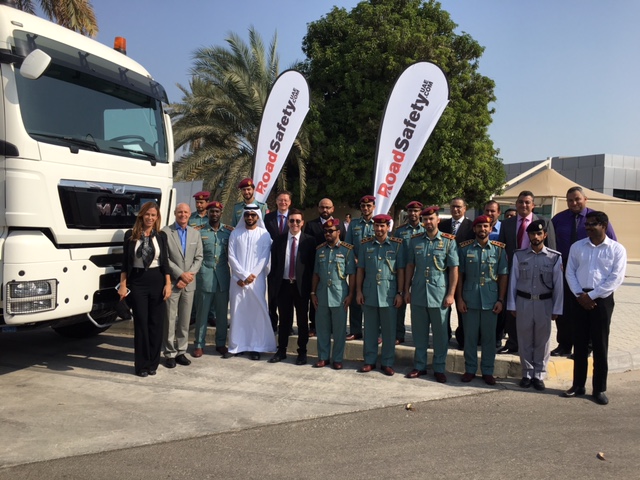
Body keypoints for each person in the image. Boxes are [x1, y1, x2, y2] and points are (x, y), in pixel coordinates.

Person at [563, 211, 626, 405]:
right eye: (587, 224)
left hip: (602, 300)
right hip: (579, 298)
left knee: (600, 345)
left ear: (604, 226)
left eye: (592, 224)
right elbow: (570, 272)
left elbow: (616, 278)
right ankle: (578, 385)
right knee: (579, 344)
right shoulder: (577, 247)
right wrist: (580, 295)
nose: (587, 227)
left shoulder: (616, 249)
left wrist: (591, 296)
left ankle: (599, 388)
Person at [550, 186, 617, 357]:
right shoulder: (558, 219)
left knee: (588, 311)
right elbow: (551, 243)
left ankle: (586, 347)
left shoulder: (597, 218)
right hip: (565, 269)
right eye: (570, 200)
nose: (574, 203)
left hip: (589, 271)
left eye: (577, 199)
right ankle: (564, 344)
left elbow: (612, 243)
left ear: (585, 199)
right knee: (564, 309)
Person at [507, 219, 563, 391]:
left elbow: (558, 284)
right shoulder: (519, 255)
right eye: (532, 233)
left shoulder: (554, 257)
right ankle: (526, 373)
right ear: (528, 235)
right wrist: (512, 305)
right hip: (523, 302)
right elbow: (513, 282)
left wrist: (557, 309)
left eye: (539, 233)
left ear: (545, 235)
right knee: (524, 339)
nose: (536, 236)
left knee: (542, 340)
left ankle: (539, 374)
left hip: (544, 303)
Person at [497, 191, 556, 355]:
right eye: (521, 202)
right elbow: (501, 249)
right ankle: (513, 342)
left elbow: (552, 249)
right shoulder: (507, 224)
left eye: (527, 202)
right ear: (516, 204)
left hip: (538, 273)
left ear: (533, 205)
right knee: (512, 308)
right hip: (512, 271)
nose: (524, 205)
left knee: (533, 309)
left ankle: (533, 344)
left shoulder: (544, 222)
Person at [404, 206, 458, 383]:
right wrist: (406, 290)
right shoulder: (415, 241)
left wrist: (451, 294)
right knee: (419, 333)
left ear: (438, 220)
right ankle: (419, 366)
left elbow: (453, 269)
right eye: (425, 219)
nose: (428, 222)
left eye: (431, 219)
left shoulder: (449, 241)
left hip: (439, 294)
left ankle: (439, 368)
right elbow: (410, 266)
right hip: (419, 293)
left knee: (440, 334)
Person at [119, 202, 172, 377]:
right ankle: (141, 365)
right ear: (141, 215)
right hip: (138, 283)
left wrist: (168, 284)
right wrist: (124, 285)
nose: (150, 218)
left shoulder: (161, 236)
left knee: (156, 324)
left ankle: (153, 364)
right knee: (141, 324)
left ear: (157, 218)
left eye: (153, 215)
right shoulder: (130, 235)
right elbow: (125, 264)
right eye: (147, 214)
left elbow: (164, 262)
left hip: (157, 281)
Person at [456, 215, 508, 386]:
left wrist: (501, 299)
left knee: (489, 338)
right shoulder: (464, 249)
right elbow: (460, 275)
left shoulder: (499, 250)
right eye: (479, 226)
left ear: (490, 229)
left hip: (491, 299)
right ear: (474, 229)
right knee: (469, 337)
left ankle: (487, 370)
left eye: (486, 226)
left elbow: (503, 276)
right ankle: (470, 369)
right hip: (470, 299)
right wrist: (460, 298)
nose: (483, 229)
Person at [356, 214, 405, 376]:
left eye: (382, 226)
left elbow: (401, 271)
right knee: (369, 330)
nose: (379, 229)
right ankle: (369, 361)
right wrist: (358, 291)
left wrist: (400, 293)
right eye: (376, 226)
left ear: (388, 227)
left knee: (389, 331)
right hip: (369, 293)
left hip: (389, 294)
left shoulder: (397, 245)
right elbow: (360, 270)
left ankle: (387, 362)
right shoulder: (365, 245)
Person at [268, 209, 316, 365]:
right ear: (288, 222)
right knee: (284, 320)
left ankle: (302, 352)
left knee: (302, 321)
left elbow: (312, 267)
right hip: (283, 286)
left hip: (301, 287)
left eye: (297, 221)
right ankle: (281, 350)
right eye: (292, 220)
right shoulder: (279, 241)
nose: (294, 223)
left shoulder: (309, 241)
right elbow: (274, 265)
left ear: (302, 223)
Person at [227, 204, 275, 360]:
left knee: (255, 313)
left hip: (257, 281)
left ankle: (256, 347)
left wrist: (251, 275)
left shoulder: (264, 235)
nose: (249, 217)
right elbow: (231, 257)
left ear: (258, 217)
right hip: (237, 281)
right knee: (237, 312)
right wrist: (242, 276)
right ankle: (237, 346)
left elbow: (264, 257)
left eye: (253, 215)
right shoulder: (235, 233)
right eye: (247, 215)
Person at [311, 218, 356, 369]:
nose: (328, 234)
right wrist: (312, 293)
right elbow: (316, 274)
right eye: (325, 231)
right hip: (322, 293)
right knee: (322, 329)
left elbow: (352, 274)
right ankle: (323, 357)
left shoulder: (347, 250)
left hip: (340, 294)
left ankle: (337, 359)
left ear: (338, 232)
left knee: (339, 330)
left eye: (331, 231)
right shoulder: (320, 250)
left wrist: (350, 295)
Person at [162, 203, 203, 369]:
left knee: (184, 320)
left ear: (189, 214)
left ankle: (181, 351)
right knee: (170, 319)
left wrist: (187, 277)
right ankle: (169, 353)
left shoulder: (195, 233)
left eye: (186, 212)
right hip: (172, 283)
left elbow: (199, 258)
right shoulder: (165, 232)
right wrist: (180, 274)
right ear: (174, 213)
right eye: (180, 212)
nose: (183, 215)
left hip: (188, 284)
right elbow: (165, 258)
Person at [193, 201, 234, 358]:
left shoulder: (229, 232)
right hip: (205, 276)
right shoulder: (199, 232)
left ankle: (220, 343)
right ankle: (198, 344)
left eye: (217, 211)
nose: (214, 214)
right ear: (207, 213)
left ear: (221, 213)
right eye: (211, 212)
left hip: (223, 277)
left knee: (222, 314)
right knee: (202, 313)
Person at [304, 197, 347, 336]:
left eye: (328, 207)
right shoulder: (311, 225)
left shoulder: (339, 225)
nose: (325, 210)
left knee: (335, 297)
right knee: (315, 294)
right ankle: (314, 325)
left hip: (336, 266)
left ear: (333, 209)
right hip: (317, 265)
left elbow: (344, 244)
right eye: (322, 207)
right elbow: (308, 246)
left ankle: (335, 326)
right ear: (318, 209)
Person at [393, 200, 425, 344]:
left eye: (416, 211)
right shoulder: (400, 231)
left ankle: (421, 335)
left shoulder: (425, 229)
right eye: (410, 211)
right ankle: (399, 334)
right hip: (403, 270)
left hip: (420, 271)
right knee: (401, 301)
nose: (413, 213)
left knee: (420, 304)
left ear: (420, 212)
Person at [345, 195, 376, 341]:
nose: (365, 208)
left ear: (373, 207)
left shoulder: (379, 223)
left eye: (369, 206)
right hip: (357, 268)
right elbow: (348, 246)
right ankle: (355, 330)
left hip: (373, 268)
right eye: (363, 206)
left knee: (373, 299)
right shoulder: (354, 224)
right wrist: (354, 259)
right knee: (355, 299)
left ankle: (375, 332)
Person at [263, 190, 292, 331]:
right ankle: (272, 323)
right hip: (273, 261)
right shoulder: (268, 218)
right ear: (276, 202)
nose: (283, 202)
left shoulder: (294, 218)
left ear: (290, 202)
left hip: (289, 261)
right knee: (273, 294)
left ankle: (287, 325)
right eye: (280, 200)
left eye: (286, 200)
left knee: (288, 296)